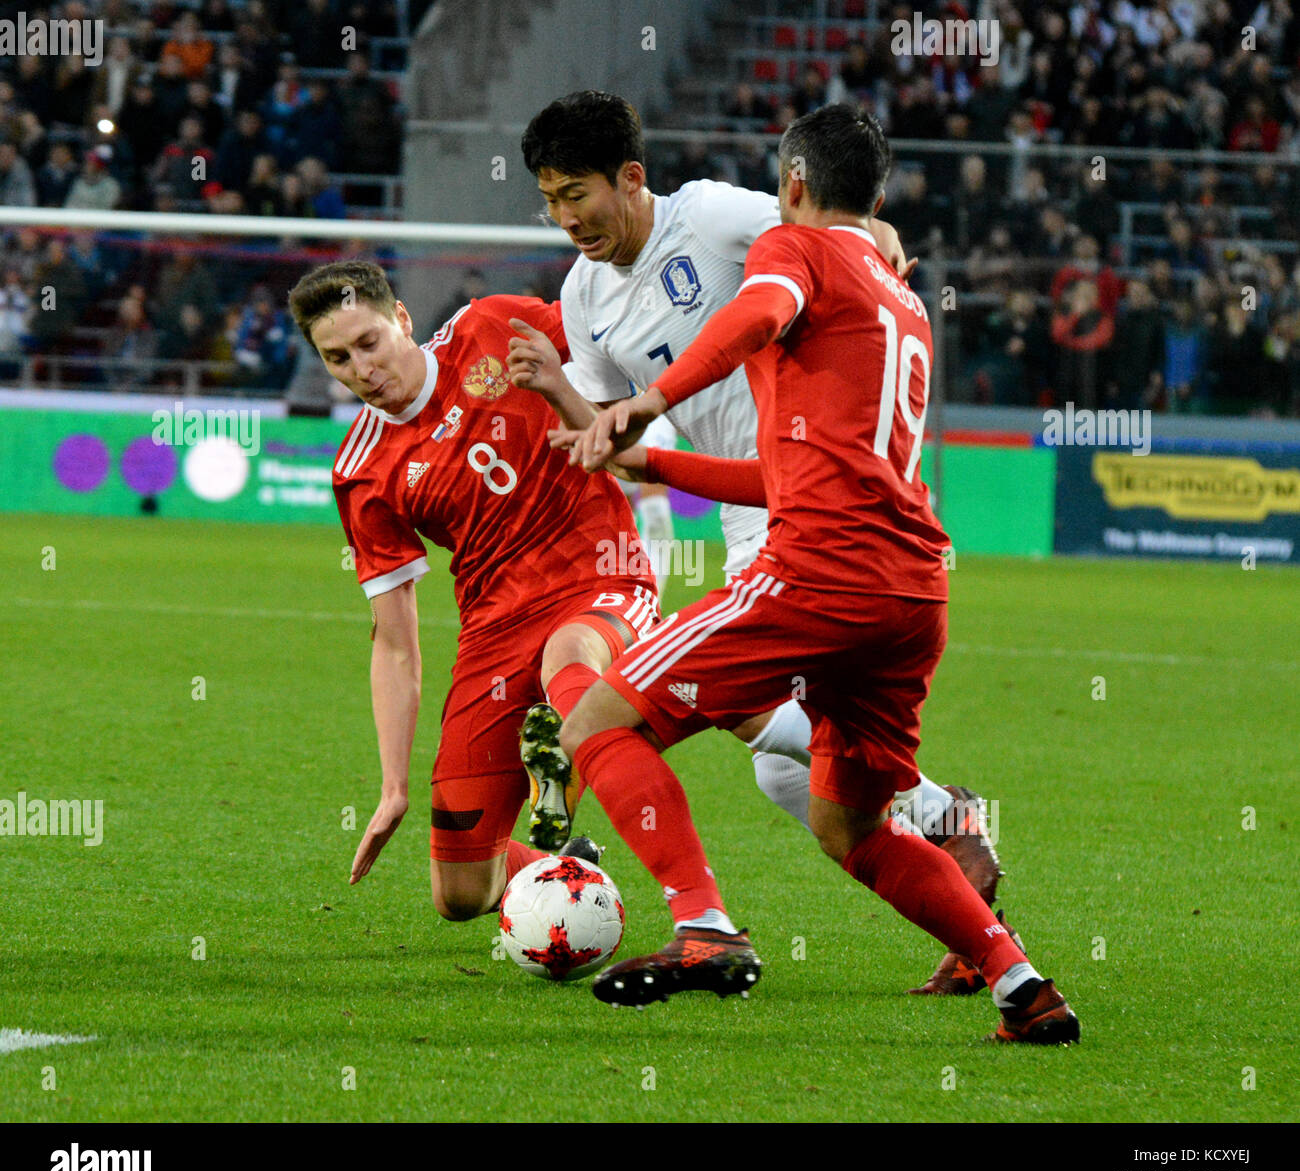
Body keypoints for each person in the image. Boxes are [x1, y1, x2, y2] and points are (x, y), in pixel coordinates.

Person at [546, 105, 1079, 1044]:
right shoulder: (901, 300)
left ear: (791, 186)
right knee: (836, 818)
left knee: (596, 717)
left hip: (811, 557)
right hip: (910, 584)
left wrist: (656, 399)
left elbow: (761, 310)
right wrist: (653, 455)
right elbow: (773, 460)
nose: (565, 215)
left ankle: (706, 927)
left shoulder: (776, 244)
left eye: (573, 193)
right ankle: (1018, 981)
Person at [285, 261, 660, 922]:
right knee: (462, 892)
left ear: (402, 318)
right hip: (493, 629)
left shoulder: (490, 326)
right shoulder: (361, 470)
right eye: (337, 358)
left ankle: (579, 763)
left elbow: (608, 330)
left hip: (599, 576)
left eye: (369, 343)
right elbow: (395, 641)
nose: (360, 369)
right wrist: (394, 784)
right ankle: (569, 866)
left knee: (568, 656)